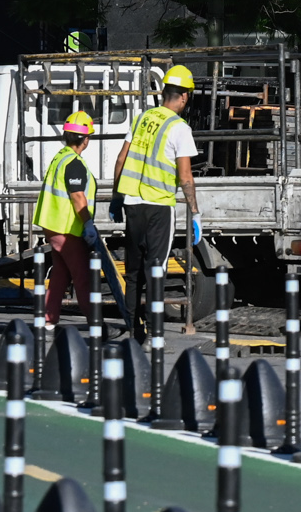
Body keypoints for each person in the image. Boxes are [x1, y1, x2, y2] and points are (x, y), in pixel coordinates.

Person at [112, 63, 202, 332]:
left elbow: (121, 160)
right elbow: (185, 176)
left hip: (133, 205)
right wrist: (195, 213)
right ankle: (154, 329)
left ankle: (131, 325)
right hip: (160, 207)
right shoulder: (179, 128)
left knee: (133, 272)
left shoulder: (143, 118)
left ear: (165, 92)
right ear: (184, 96)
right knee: (156, 269)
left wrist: (117, 198)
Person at [34, 107, 100, 324]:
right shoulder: (74, 163)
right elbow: (78, 197)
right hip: (67, 228)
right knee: (82, 277)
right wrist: (88, 223)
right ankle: (95, 323)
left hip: (52, 225)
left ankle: (49, 320)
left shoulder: (60, 157)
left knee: (60, 275)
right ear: (86, 139)